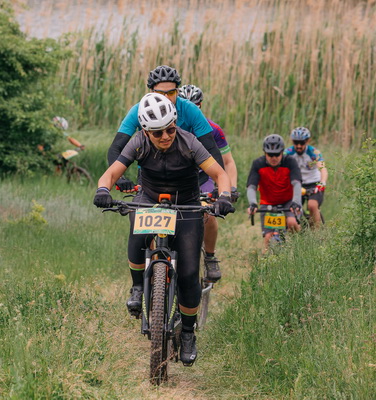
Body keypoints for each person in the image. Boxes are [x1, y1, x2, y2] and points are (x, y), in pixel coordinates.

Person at [94, 93, 234, 366]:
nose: (166, 136)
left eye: (170, 129)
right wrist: (102, 190)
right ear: (146, 132)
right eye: (157, 133)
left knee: (189, 273)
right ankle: (137, 287)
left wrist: (225, 196)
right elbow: (111, 173)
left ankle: (189, 332)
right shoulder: (138, 142)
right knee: (137, 234)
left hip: (186, 203)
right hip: (149, 198)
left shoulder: (189, 142)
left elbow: (219, 174)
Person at [107, 65, 225, 194]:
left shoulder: (190, 109)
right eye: (160, 93)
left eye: (171, 93)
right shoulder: (139, 110)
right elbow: (116, 147)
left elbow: (211, 147)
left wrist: (218, 187)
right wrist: (119, 178)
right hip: (149, 174)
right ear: (151, 92)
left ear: (177, 92)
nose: (166, 98)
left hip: (185, 172)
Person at [178, 84, 238, 281]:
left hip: (202, 179)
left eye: (194, 106)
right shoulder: (167, 128)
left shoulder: (213, 129)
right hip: (175, 179)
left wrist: (230, 188)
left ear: (200, 106)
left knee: (208, 215)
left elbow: (228, 162)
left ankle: (210, 257)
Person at [247, 134, 302, 252]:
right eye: (270, 154)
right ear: (264, 153)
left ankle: (299, 248)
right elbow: (251, 187)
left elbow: (297, 183)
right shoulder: (258, 164)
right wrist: (252, 203)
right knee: (268, 237)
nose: (274, 158)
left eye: (277, 154)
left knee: (292, 222)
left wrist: (296, 202)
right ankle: (269, 261)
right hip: (267, 203)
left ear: (282, 152)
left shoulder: (290, 162)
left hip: (288, 201)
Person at [284, 127, 327, 227]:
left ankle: (316, 233)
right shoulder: (288, 153)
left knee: (312, 205)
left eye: (302, 143)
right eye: (296, 142)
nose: (299, 146)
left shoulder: (314, 152)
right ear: (292, 141)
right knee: (293, 208)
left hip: (314, 183)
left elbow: (323, 169)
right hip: (297, 184)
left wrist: (322, 182)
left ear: (308, 141)